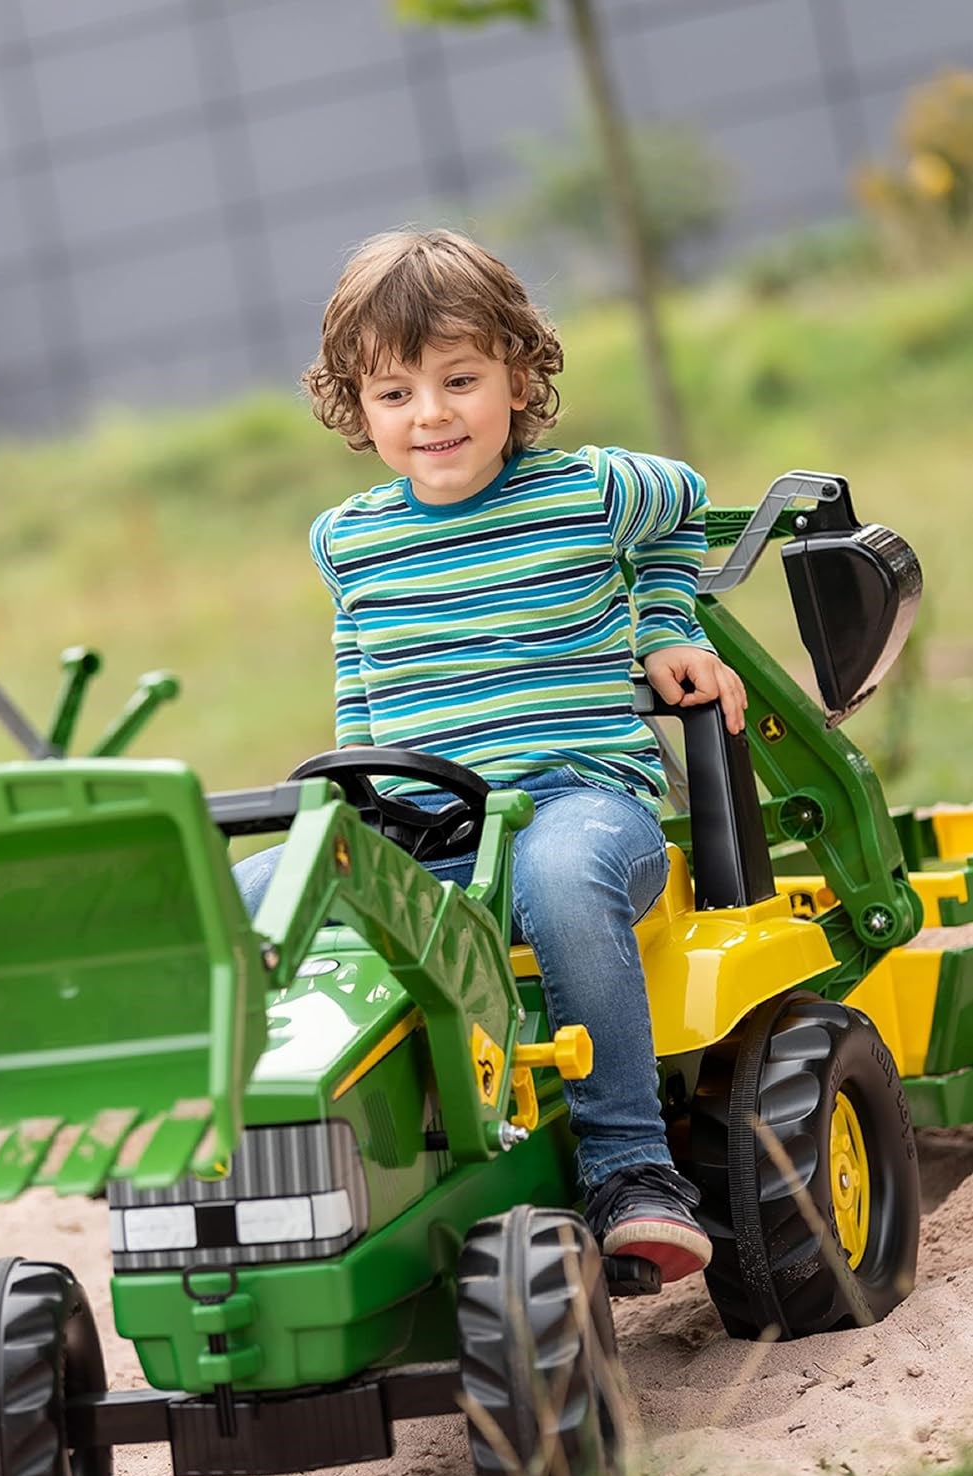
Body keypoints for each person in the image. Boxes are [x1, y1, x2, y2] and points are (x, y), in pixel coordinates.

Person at [234, 227, 746, 1285]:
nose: (430, 415)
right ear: (356, 406)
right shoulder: (347, 540)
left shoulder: (593, 490)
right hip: (422, 837)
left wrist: (664, 626)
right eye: (394, 394)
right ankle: (245, 1166)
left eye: (459, 380)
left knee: (558, 881)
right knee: (241, 897)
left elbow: (684, 506)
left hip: (575, 804)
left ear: (517, 375)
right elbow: (361, 690)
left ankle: (629, 1167)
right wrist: (350, 809)